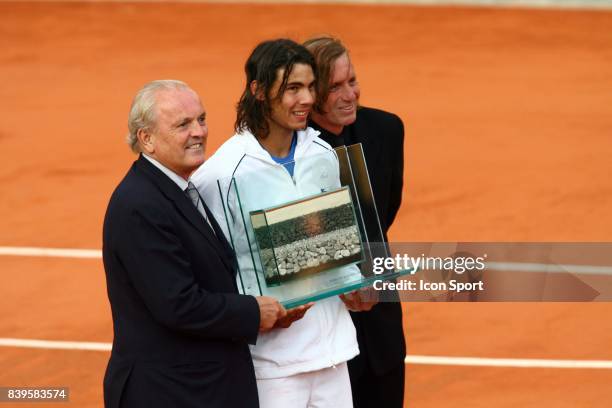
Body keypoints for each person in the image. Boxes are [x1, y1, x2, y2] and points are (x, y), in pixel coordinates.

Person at [192, 39, 364, 408]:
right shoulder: (220, 175)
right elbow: (216, 271)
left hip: (334, 353)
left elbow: (336, 246)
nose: (306, 99)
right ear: (257, 90)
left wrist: (356, 286)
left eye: (310, 87)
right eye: (292, 88)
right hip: (272, 366)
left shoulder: (322, 155)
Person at [102, 80, 295, 408]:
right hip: (171, 392)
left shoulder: (178, 188)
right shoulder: (140, 205)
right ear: (146, 139)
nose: (199, 132)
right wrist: (252, 311)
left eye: (201, 120)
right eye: (183, 124)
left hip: (198, 386)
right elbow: (178, 304)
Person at [303, 36, 406, 408]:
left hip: (380, 316)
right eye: (335, 87)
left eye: (352, 81)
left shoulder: (387, 130)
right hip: (321, 328)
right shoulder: (289, 151)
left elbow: (383, 211)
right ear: (310, 94)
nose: (351, 94)